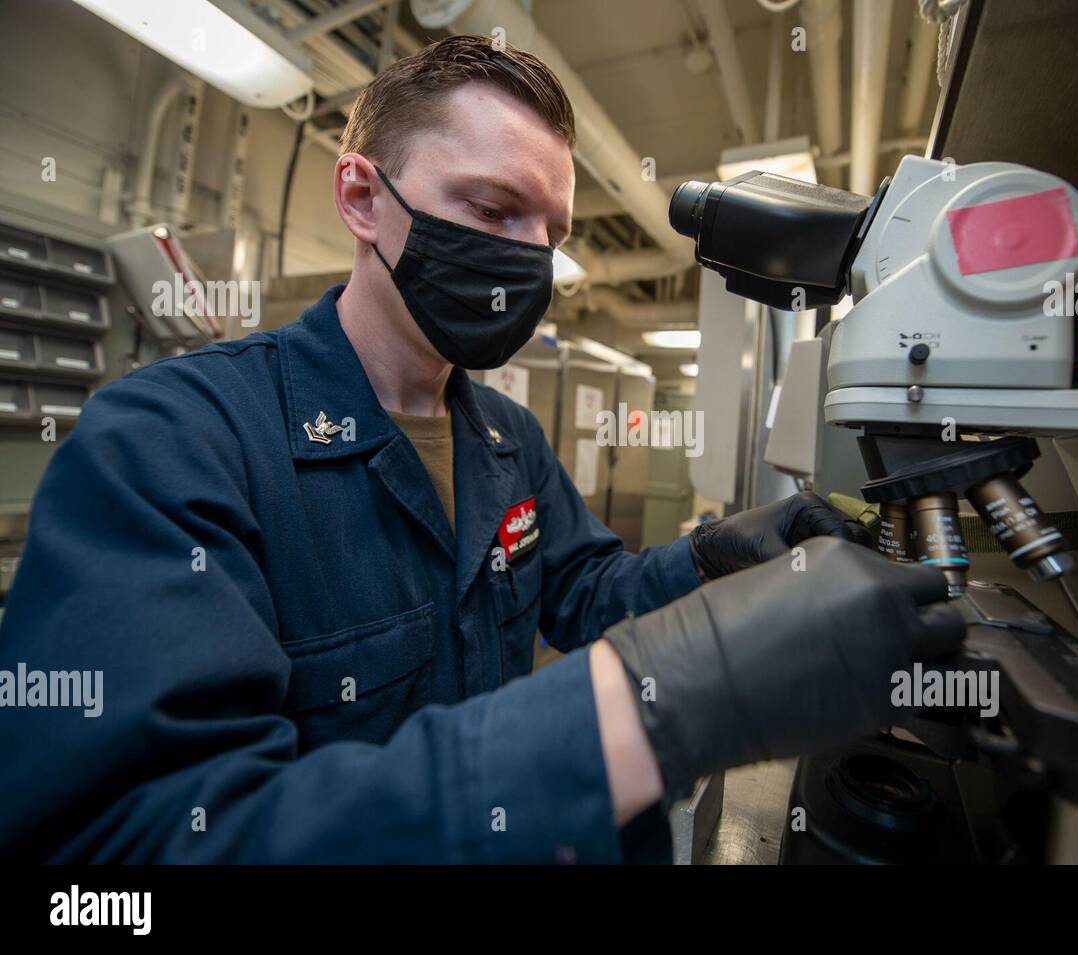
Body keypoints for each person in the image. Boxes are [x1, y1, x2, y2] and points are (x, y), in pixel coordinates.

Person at [0, 35, 962, 862]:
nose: (529, 261)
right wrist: (641, 710)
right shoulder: (173, 440)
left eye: (551, 233)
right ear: (363, 199)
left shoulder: (506, 437)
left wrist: (714, 555)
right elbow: (126, 844)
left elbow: (581, 590)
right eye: (493, 211)